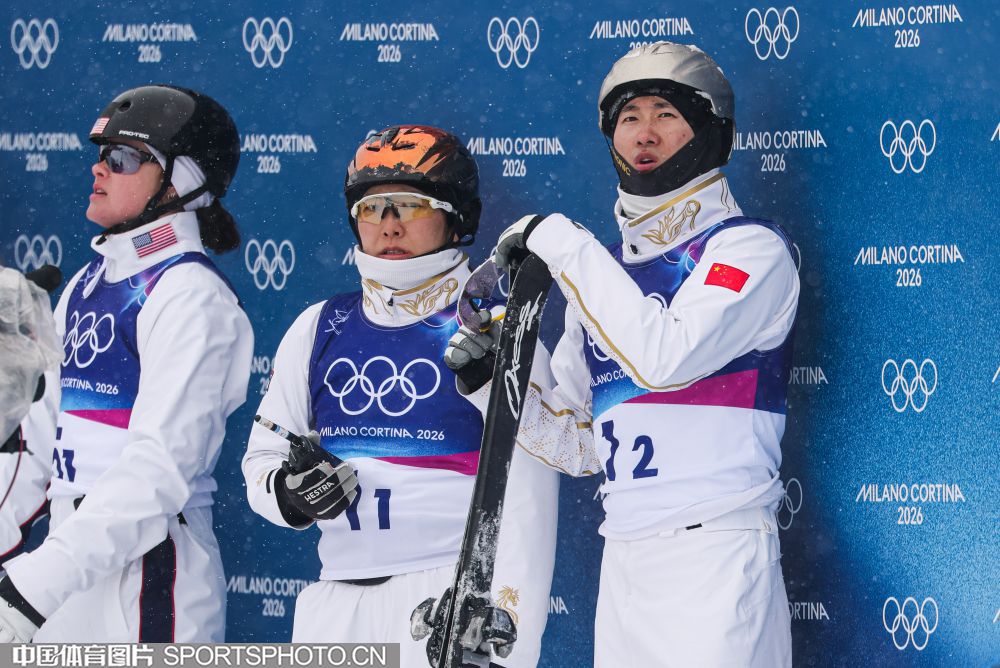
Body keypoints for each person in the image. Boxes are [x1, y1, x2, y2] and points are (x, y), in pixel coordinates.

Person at [479, 42, 799, 666]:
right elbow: (577, 444)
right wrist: (487, 382)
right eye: (629, 117)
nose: (644, 133)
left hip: (716, 553)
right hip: (624, 558)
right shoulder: (604, 277)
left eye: (665, 114)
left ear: (709, 132)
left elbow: (664, 357)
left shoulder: (748, 250)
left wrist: (561, 243)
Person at [243, 125, 558, 667]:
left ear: (456, 218)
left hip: (445, 603)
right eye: (371, 209)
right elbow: (262, 459)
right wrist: (289, 495)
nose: (389, 224)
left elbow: (530, 498)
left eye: (410, 206)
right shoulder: (319, 325)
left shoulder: (495, 332)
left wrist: (508, 631)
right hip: (335, 605)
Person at [0, 85, 253, 642]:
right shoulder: (86, 283)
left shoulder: (191, 295)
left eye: (123, 158)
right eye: (101, 154)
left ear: (180, 182)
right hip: (67, 568)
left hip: (149, 573)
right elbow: (39, 445)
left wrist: (30, 589)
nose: (99, 169)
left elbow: (157, 473)